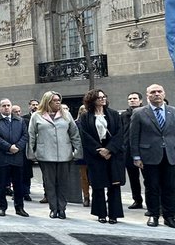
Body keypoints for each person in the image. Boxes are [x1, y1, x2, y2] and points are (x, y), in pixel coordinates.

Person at [128, 83, 175, 228]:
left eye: (159, 91)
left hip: (169, 154)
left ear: (164, 94)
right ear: (147, 96)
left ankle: (169, 216)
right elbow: (133, 137)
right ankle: (153, 214)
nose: (157, 94)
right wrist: (136, 157)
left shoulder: (173, 111)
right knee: (152, 186)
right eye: (153, 92)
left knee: (170, 187)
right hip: (148, 156)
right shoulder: (139, 113)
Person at [28, 91, 82, 219]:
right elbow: (31, 136)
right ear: (47, 101)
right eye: (55, 100)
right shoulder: (36, 116)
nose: (58, 102)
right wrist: (31, 153)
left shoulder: (66, 114)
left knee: (63, 183)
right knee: (49, 183)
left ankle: (62, 208)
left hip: (64, 154)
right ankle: (53, 208)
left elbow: (75, 134)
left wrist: (77, 151)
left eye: (59, 100)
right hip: (45, 155)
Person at [77, 89, 125, 224]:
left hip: (113, 154)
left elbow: (120, 133)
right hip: (96, 154)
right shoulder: (86, 117)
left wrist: (109, 149)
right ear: (92, 101)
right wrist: (99, 150)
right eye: (99, 98)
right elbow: (85, 136)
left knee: (114, 185)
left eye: (104, 97)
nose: (102, 99)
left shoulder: (114, 114)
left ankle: (114, 214)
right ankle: (101, 213)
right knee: (98, 185)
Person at [0, 98, 28, 217]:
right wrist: (9, 147)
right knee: (1, 184)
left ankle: (19, 207)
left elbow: (25, 136)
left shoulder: (20, 121)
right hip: (2, 157)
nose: (6, 107)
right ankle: (2, 207)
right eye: (4, 105)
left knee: (18, 184)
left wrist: (18, 147)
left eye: (8, 105)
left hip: (17, 157)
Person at [120, 92, 145, 210]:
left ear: (140, 101)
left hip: (144, 150)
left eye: (135, 98)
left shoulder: (146, 113)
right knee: (133, 178)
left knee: (148, 178)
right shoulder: (124, 115)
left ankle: (152, 202)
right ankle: (137, 200)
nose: (132, 100)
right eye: (130, 99)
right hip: (128, 151)